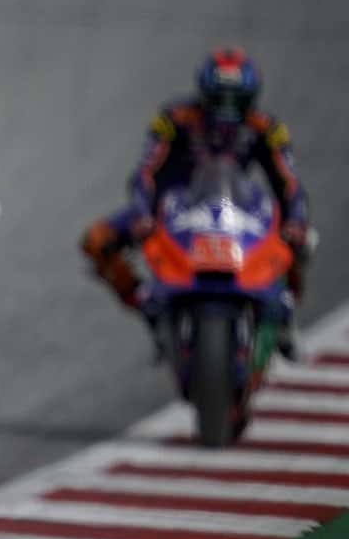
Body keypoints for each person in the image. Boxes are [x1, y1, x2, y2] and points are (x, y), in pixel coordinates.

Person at [79, 47, 310, 355]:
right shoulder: (173, 119)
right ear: (204, 93)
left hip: (235, 206)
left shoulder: (268, 129)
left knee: (298, 240)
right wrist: (142, 212)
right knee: (97, 241)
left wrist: (295, 221)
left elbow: (290, 183)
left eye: (235, 101)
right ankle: (146, 304)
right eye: (219, 99)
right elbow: (145, 172)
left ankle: (285, 314)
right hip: (171, 206)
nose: (226, 110)